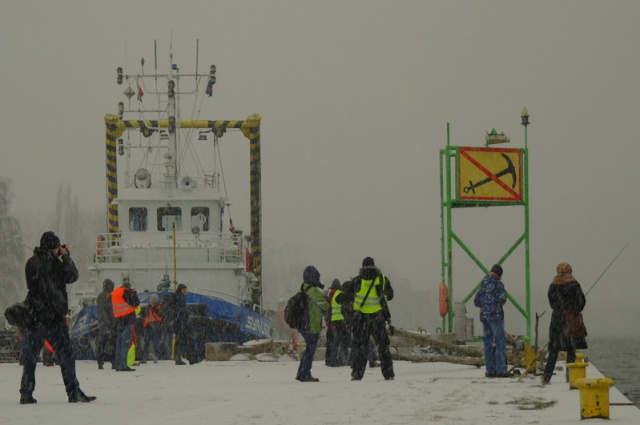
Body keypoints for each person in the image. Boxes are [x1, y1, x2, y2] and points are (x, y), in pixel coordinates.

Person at [20, 231, 96, 404]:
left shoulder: (31, 263)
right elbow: (72, 276)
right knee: (66, 356)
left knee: (30, 359)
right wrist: (66, 257)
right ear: (53, 247)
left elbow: (33, 285)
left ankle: (26, 392)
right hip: (53, 318)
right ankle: (73, 391)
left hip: (35, 317)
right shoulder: (54, 263)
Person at [345, 257, 395, 381]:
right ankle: (388, 374)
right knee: (383, 346)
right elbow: (390, 296)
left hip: (361, 318)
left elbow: (347, 297)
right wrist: (381, 293)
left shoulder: (357, 281)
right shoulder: (382, 279)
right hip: (377, 317)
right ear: (374, 266)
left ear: (362, 267)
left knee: (361, 346)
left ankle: (357, 373)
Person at [542, 262, 587, 384]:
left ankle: (547, 376)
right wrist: (574, 309)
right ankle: (570, 377)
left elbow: (551, 303)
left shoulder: (553, 284)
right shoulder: (574, 284)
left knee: (554, 349)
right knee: (571, 349)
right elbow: (582, 302)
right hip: (570, 319)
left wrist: (560, 308)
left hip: (556, 318)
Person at [473, 264, 509, 378]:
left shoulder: (483, 284)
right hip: (496, 316)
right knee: (499, 343)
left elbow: (476, 301)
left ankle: (490, 370)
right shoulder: (498, 284)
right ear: (500, 274)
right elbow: (503, 299)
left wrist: (485, 305)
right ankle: (501, 370)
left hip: (484, 317)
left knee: (488, 344)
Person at [295, 266, 330, 382]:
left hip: (303, 324)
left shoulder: (302, 289)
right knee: (310, 350)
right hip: (312, 324)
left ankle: (303, 373)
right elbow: (324, 305)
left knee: (308, 350)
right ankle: (305, 374)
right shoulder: (313, 291)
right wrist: (326, 299)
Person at [112, 277, 140, 371]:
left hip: (118, 320)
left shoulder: (115, 292)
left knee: (119, 344)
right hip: (127, 320)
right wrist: (134, 293)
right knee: (125, 343)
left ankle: (117, 364)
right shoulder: (125, 292)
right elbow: (135, 303)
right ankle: (123, 365)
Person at [164, 283, 190, 365]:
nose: (185, 291)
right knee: (179, 339)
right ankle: (178, 357)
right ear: (181, 290)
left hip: (178, 320)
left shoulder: (176, 297)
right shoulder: (178, 297)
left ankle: (178, 356)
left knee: (179, 339)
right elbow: (180, 308)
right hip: (179, 321)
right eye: (184, 290)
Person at [327, 279, 349, 367]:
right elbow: (345, 307)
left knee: (335, 341)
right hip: (340, 321)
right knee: (342, 341)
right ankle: (341, 360)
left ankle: (333, 360)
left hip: (334, 320)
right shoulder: (340, 295)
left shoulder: (333, 294)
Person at [96, 278, 116, 370]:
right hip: (109, 324)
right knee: (112, 343)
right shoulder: (110, 296)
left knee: (101, 344)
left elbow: (100, 311)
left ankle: (100, 362)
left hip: (101, 324)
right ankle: (113, 362)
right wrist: (112, 323)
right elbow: (111, 311)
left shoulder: (99, 296)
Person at [141, 294, 165, 363]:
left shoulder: (159, 307)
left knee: (156, 344)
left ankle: (158, 357)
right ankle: (144, 358)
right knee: (147, 343)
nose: (153, 301)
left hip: (155, 328)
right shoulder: (147, 307)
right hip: (148, 327)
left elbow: (161, 315)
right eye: (152, 299)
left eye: (155, 299)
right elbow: (144, 315)